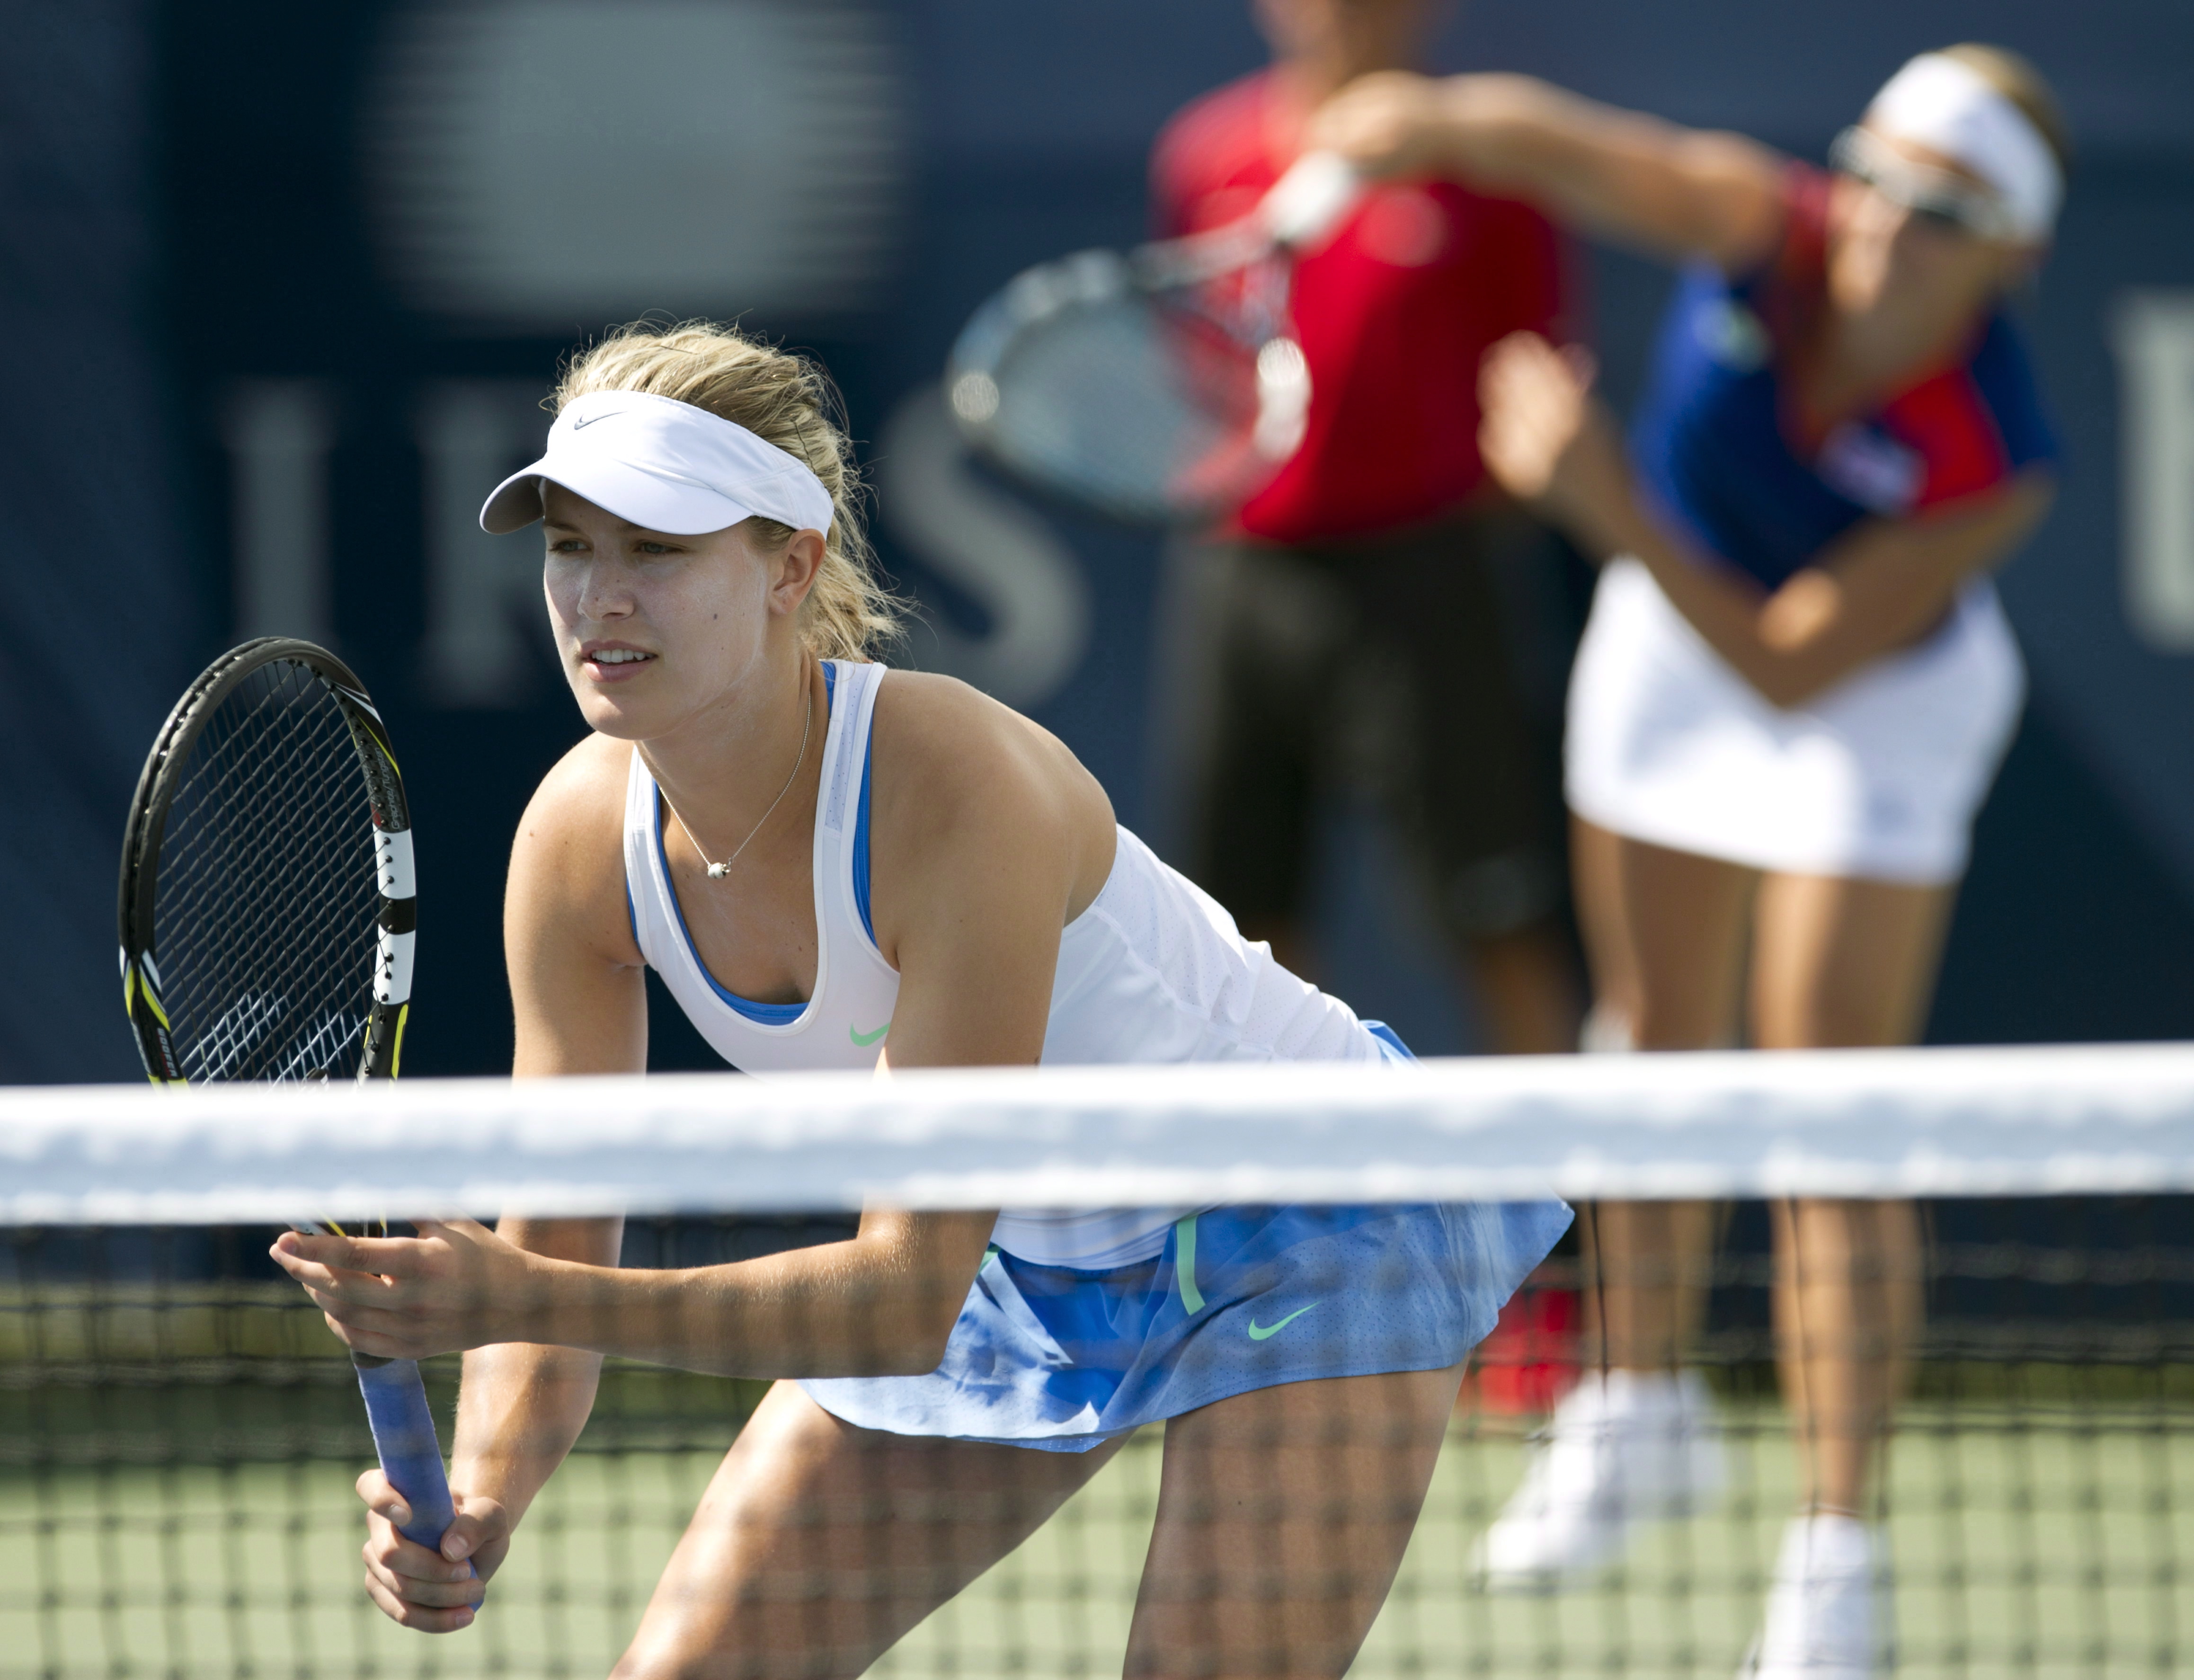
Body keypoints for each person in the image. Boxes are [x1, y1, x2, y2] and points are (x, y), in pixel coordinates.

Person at [266, 322, 1572, 1679]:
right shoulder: (577, 847)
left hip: (1312, 1211)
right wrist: (484, 1488)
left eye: (657, 550)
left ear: (791, 567)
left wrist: (521, 1291)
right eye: (571, 545)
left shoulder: (953, 785)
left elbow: (897, 1298)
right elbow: (555, 1229)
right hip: (1012, 1256)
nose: (599, 595)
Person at [1312, 43, 2064, 1679]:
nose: (1881, 214)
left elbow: (1792, 669)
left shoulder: (1990, 462)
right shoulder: (1757, 219)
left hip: (1865, 704)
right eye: (1869, 167)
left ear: (2010, 251)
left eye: (1939, 205)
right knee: (1650, 1035)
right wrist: (1406, 126)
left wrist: (1602, 501)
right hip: (1673, 647)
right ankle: (1637, 1409)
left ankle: (1831, 1560)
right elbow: (1556, 140)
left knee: (1826, 1108)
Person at [1150, 0, 1583, 1054]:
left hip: (1424, 586)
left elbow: (1533, 398)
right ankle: (1280, 1212)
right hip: (1239, 577)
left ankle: (1586, 1220)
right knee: (1238, 941)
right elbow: (1195, 375)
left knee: (1498, 922)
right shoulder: (1204, 152)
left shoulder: (1489, 169)